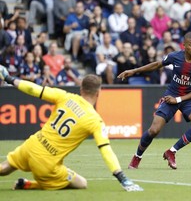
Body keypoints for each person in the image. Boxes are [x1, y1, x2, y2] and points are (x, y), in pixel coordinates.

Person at [0, 65, 143, 192]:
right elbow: (106, 150)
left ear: (81, 89)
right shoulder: (94, 120)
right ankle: (29, 185)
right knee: (81, 183)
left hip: (31, 145)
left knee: (4, 168)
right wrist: (122, 177)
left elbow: (34, 89)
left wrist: (8, 78)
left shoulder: (65, 96)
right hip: (46, 163)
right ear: (98, 93)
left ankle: (24, 182)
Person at [118, 32, 191, 169]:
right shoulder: (175, 57)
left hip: (189, 98)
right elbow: (157, 65)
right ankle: (137, 157)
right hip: (171, 95)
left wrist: (178, 99)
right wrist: (134, 71)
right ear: (184, 46)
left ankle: (172, 151)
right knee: (154, 130)